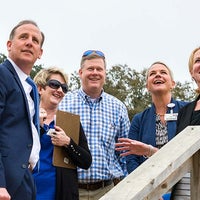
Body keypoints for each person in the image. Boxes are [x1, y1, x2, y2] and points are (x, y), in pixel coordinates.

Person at [59, 50, 130, 200]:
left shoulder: (118, 107)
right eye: (90, 69)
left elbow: (124, 153)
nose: (95, 73)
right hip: (73, 190)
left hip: (108, 190)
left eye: (99, 69)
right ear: (80, 72)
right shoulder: (64, 103)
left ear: (105, 73)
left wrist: (126, 186)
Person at [115, 61, 187, 200]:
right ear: (147, 86)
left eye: (163, 72)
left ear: (173, 83)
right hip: (150, 191)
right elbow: (131, 159)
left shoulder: (187, 110)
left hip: (183, 188)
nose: (157, 75)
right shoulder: (139, 119)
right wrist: (147, 190)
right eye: (152, 74)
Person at [0, 20, 44, 200]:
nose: (29, 42)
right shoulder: (2, 75)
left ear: (40, 53)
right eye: (23, 37)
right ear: (9, 45)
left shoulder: (31, 86)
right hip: (6, 183)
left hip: (25, 178)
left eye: (35, 40)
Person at [32, 67, 92, 200]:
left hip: (61, 193)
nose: (60, 90)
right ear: (40, 88)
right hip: (27, 191)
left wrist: (68, 143)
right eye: (54, 85)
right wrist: (39, 127)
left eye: (64, 88)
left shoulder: (70, 122)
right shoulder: (26, 117)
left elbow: (86, 161)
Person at [170, 47, 200, 199]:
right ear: (191, 72)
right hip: (183, 192)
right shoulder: (184, 111)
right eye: (198, 61)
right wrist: (149, 150)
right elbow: (177, 154)